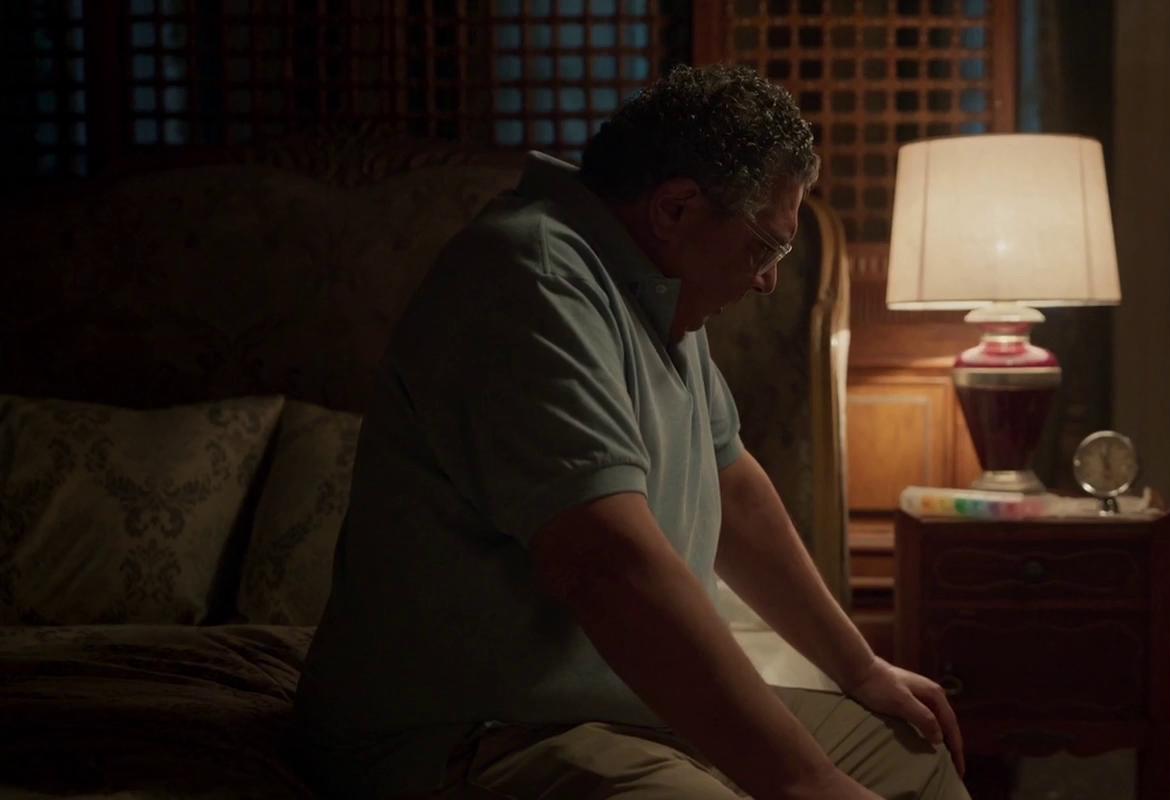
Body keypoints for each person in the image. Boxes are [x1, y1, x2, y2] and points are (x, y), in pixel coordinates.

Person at [293, 64, 967, 800]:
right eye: (763, 248)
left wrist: (861, 670)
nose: (767, 280)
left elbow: (733, 488)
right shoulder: (533, 276)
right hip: (484, 727)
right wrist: (806, 782)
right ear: (675, 208)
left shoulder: (660, 291)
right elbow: (611, 566)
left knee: (914, 751)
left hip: (628, 709)